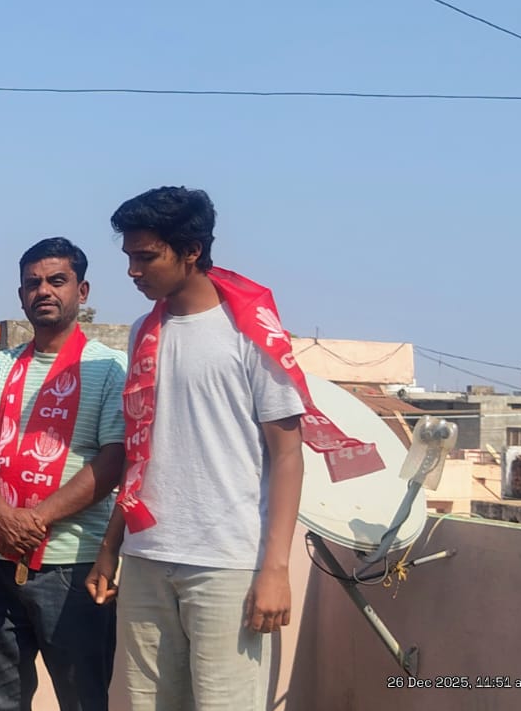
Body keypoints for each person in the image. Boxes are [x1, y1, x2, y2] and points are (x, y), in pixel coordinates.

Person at [91, 186, 361, 710]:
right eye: (129, 257)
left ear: (191, 251)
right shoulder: (144, 332)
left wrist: (276, 571)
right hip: (146, 558)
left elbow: (288, 456)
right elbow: (140, 453)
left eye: (146, 257)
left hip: (226, 564)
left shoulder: (251, 332)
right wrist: (110, 547)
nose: (132, 271)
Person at [0, 238, 125, 711]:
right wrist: (2, 516)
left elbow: (114, 458)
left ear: (82, 291)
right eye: (33, 283)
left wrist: (35, 519)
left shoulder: (110, 368)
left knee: (82, 697)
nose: (44, 291)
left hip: (74, 564)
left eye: (57, 280)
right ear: (21, 296)